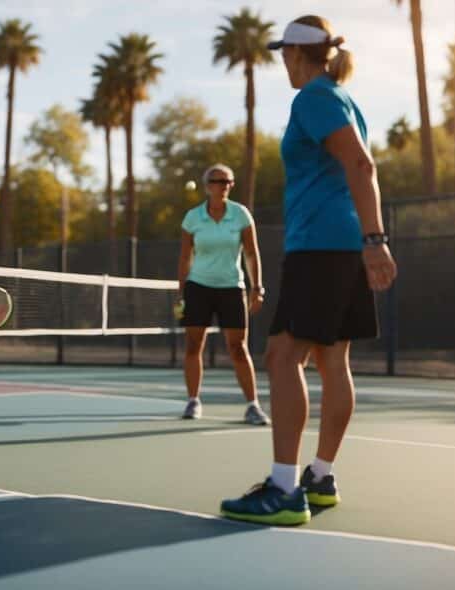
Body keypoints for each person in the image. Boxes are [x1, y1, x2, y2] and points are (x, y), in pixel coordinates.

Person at [220, 16, 398, 526]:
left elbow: (361, 166)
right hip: (339, 245)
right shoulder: (341, 99)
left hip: (321, 247)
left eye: (283, 53)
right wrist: (368, 241)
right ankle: (319, 477)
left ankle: (282, 489)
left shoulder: (315, 99)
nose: (281, 62)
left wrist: (376, 240)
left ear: (296, 55)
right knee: (331, 360)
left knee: (281, 356)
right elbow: (360, 168)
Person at [177, 164, 271, 426]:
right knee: (194, 346)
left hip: (232, 287)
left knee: (238, 348)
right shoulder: (192, 218)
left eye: (229, 181)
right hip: (198, 287)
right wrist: (181, 292)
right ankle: (193, 400)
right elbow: (185, 257)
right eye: (219, 181)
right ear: (208, 186)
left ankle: (253, 405)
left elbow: (251, 253)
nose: (225, 185)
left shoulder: (241, 214)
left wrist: (257, 287)